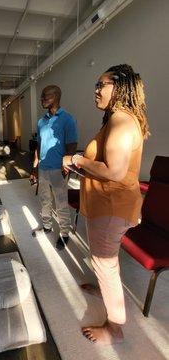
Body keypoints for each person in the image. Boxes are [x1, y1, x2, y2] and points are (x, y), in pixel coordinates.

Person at [63, 64, 149, 345]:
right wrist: (80, 165)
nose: (96, 91)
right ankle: (103, 291)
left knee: (105, 264)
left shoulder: (122, 121)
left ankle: (115, 328)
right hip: (106, 204)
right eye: (96, 85)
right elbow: (104, 166)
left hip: (112, 207)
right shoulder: (117, 119)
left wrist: (77, 159)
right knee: (104, 261)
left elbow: (113, 172)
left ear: (121, 87)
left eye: (102, 85)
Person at [30, 85, 78, 248]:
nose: (41, 99)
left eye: (45, 96)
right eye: (41, 96)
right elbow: (39, 144)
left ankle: (64, 233)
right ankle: (47, 226)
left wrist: (67, 166)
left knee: (61, 202)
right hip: (43, 167)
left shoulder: (67, 119)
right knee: (44, 200)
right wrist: (35, 165)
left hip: (59, 168)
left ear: (56, 96)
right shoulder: (41, 121)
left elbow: (72, 145)